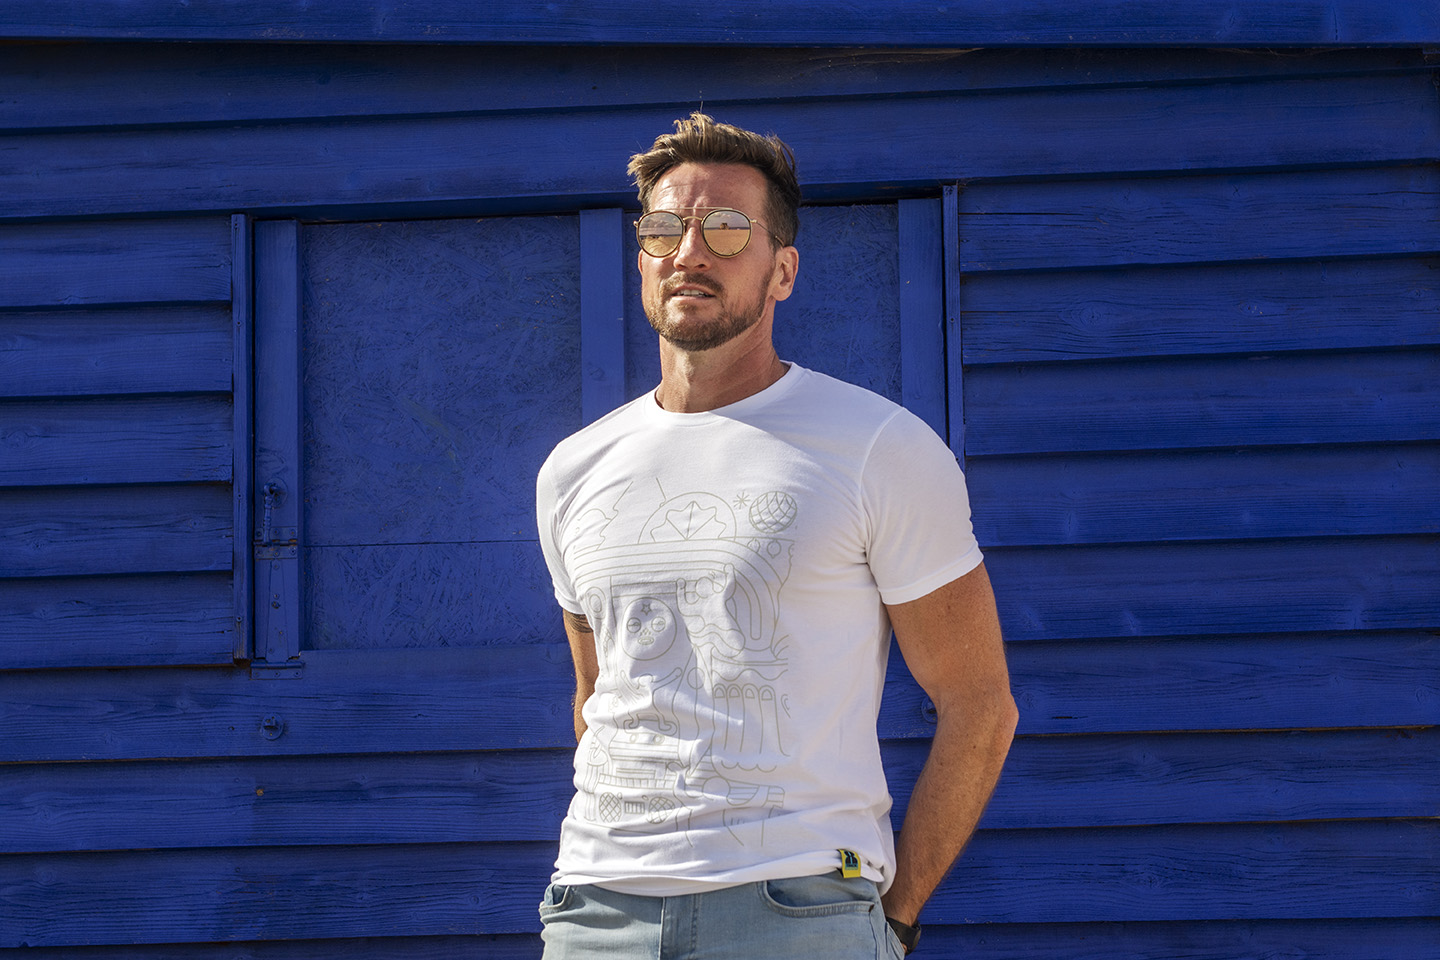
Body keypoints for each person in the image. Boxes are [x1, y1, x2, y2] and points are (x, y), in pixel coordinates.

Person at [534, 112, 1017, 959]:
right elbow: (599, 694)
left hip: (797, 907)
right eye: (663, 229)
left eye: (726, 229)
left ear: (782, 270)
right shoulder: (573, 469)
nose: (690, 252)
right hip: (596, 910)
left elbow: (980, 706)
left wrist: (893, 920)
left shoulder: (877, 447)